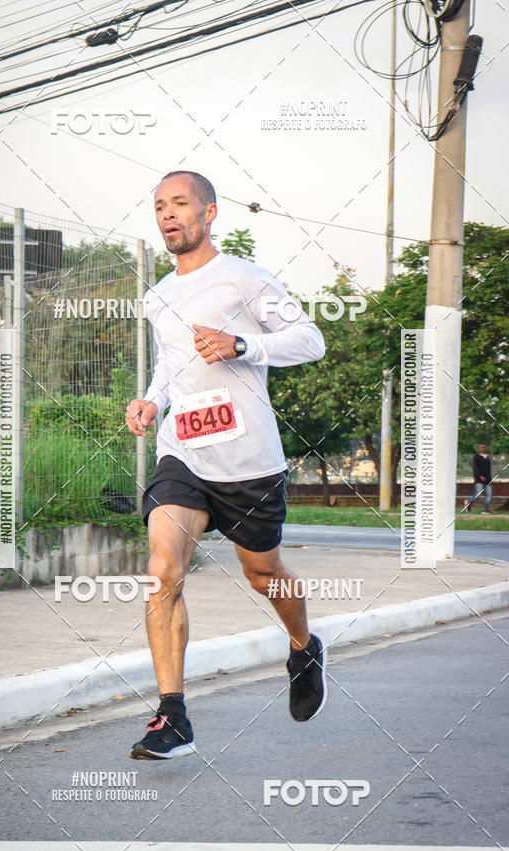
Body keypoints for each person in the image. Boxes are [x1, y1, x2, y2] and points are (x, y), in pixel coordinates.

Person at [125, 170, 326, 760]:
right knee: (163, 567)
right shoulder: (156, 294)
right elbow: (170, 367)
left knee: (263, 575)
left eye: (180, 204)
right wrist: (151, 401)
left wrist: (245, 345)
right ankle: (173, 717)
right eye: (160, 206)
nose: (168, 214)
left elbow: (310, 340)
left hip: (248, 462)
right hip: (183, 453)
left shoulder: (246, 278)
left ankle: (302, 645)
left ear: (209, 213)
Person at [464, 442, 493, 515]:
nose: (483, 448)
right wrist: (480, 476)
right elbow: (475, 468)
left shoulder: (487, 457)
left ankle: (485, 509)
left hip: (488, 480)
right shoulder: (476, 457)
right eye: (481, 447)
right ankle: (468, 502)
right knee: (478, 495)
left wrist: (490, 479)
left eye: (484, 447)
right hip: (479, 480)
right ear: (479, 448)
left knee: (489, 495)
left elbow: (489, 469)